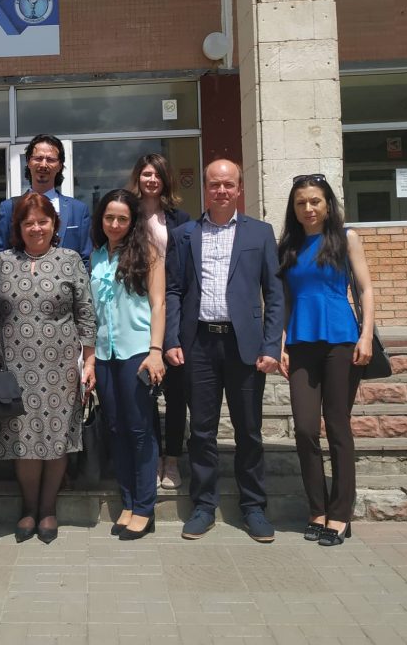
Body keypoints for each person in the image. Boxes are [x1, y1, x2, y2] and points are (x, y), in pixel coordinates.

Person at [164, 159, 284, 544]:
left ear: (239, 188)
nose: (220, 190)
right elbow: (174, 291)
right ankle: (203, 506)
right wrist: (171, 340)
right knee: (201, 431)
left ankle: (254, 507)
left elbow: (275, 295)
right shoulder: (185, 234)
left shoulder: (260, 233)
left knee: (249, 430)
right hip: (198, 343)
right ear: (205, 188)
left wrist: (271, 344)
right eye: (214, 184)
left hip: (244, 345)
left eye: (228, 184)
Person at [0, 193, 96, 545]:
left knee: (56, 437)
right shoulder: (4, 261)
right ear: (18, 227)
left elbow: (86, 312)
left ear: (55, 224)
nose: (36, 228)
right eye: (28, 223)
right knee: (22, 437)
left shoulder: (70, 260)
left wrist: (89, 360)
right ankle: (29, 506)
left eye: (42, 221)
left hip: (60, 365)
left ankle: (48, 508)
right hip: (14, 365)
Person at [278, 173, 375, 547]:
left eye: (315, 201)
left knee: (337, 426)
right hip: (301, 342)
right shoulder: (288, 245)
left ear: (328, 204)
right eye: (301, 202)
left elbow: (365, 288)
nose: (308, 208)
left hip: (341, 341)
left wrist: (366, 335)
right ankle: (316, 509)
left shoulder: (346, 238)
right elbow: (285, 301)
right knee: (305, 428)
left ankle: (340, 513)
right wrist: (281, 344)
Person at [90, 189, 166, 541]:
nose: (115, 224)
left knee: (139, 430)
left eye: (122, 218)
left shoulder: (149, 253)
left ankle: (145, 508)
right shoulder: (96, 256)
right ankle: (129, 501)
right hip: (105, 354)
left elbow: (159, 304)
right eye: (109, 217)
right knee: (116, 429)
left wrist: (156, 350)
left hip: (137, 352)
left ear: (133, 221)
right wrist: (88, 357)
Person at [129, 153, 191, 490]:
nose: (151, 180)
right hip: (139, 305)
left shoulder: (180, 218)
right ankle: (151, 457)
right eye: (146, 174)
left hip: (173, 304)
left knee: (177, 390)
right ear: (137, 178)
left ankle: (173, 458)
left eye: (157, 175)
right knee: (146, 388)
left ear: (166, 180)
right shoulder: (129, 212)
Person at [0, 134, 92, 265]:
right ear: (28, 162)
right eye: (38, 158)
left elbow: (85, 259)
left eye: (50, 159)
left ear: (60, 165)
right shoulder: (9, 207)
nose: (43, 164)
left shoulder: (78, 210)